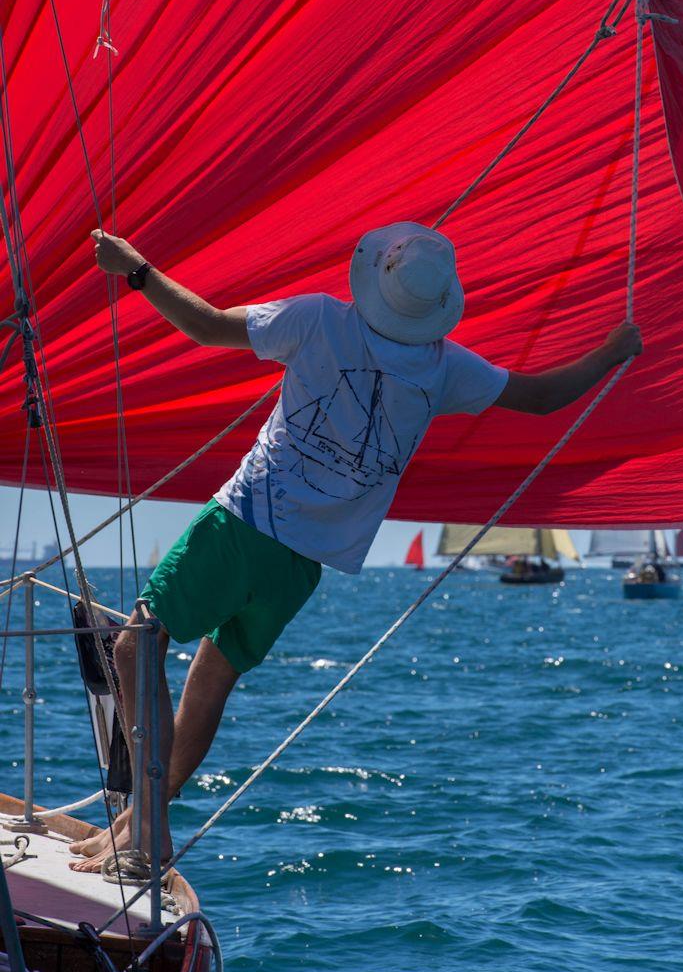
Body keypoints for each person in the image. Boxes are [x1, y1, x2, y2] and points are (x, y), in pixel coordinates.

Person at [70, 221, 642, 874]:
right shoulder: (444, 367)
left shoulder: (319, 321)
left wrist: (136, 269)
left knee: (134, 644)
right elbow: (541, 399)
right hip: (301, 568)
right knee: (209, 681)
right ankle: (141, 825)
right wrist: (611, 351)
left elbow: (205, 326)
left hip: (245, 524)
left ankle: (146, 832)